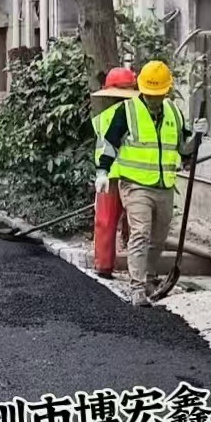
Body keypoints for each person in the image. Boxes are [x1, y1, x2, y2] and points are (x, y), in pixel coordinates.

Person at [95, 60, 205, 306]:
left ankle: (151, 277)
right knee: (140, 233)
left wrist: (198, 136)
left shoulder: (174, 112)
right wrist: (102, 171)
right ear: (142, 90)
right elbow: (110, 143)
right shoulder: (128, 112)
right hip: (135, 185)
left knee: (158, 236)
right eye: (150, 94)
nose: (154, 99)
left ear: (166, 91)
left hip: (164, 185)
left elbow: (184, 149)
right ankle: (137, 287)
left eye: (158, 94)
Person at [91, 67, 138, 279]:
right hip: (133, 175)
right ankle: (139, 269)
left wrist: (101, 172)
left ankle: (104, 266)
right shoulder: (139, 114)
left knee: (105, 221)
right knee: (138, 223)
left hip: (108, 176)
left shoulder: (102, 117)